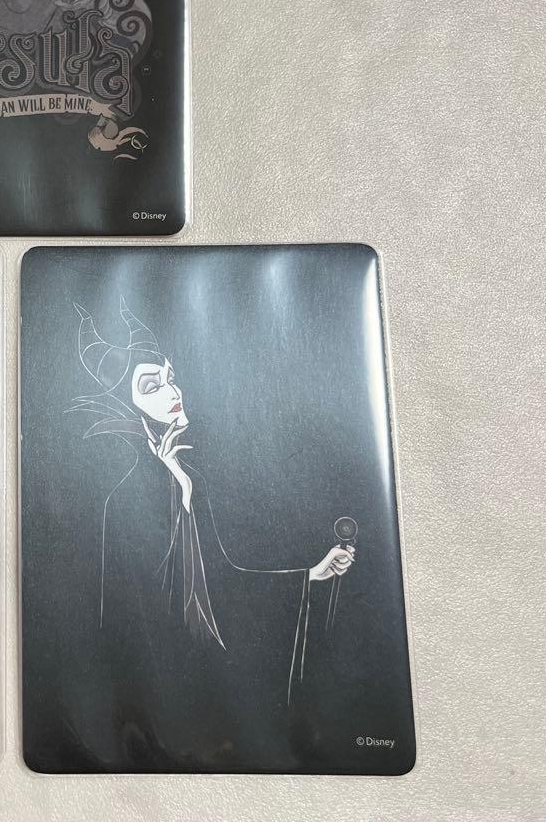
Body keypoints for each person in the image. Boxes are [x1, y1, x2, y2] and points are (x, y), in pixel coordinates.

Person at [69, 300, 355, 763]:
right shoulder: (124, 499)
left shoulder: (187, 476)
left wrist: (309, 575)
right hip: (158, 699)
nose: (172, 390)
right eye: (152, 385)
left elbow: (217, 582)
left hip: (205, 686)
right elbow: (128, 618)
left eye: (170, 377)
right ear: (126, 404)